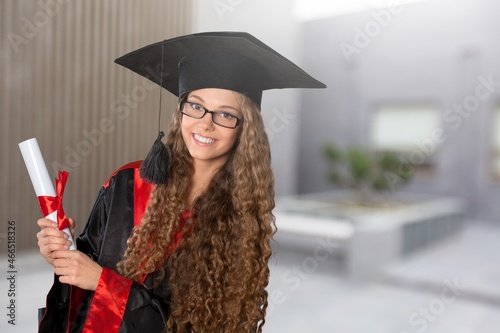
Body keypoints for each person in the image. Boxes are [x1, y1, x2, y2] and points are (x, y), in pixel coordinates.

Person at [36, 31, 325, 333]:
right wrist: (61, 254)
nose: (205, 122)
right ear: (180, 110)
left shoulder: (238, 220)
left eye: (225, 114)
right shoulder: (127, 183)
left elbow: (197, 327)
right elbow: (86, 263)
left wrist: (103, 283)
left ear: (244, 130)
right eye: (196, 105)